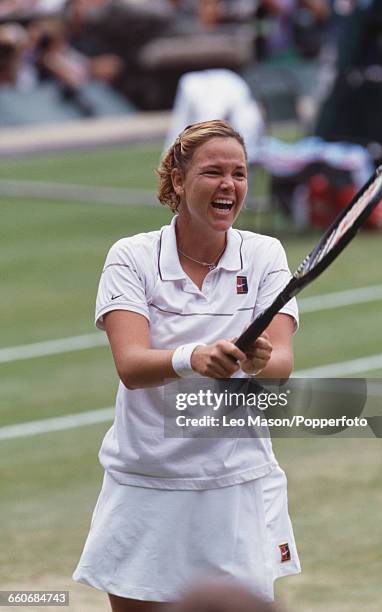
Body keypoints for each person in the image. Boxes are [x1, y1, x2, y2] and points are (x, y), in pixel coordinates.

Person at [72, 119, 301, 612]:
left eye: (239, 174)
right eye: (213, 172)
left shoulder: (265, 255)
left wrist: (261, 360)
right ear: (178, 181)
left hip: (236, 484)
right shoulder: (130, 257)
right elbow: (131, 365)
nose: (229, 185)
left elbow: (280, 362)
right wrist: (192, 358)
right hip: (145, 481)